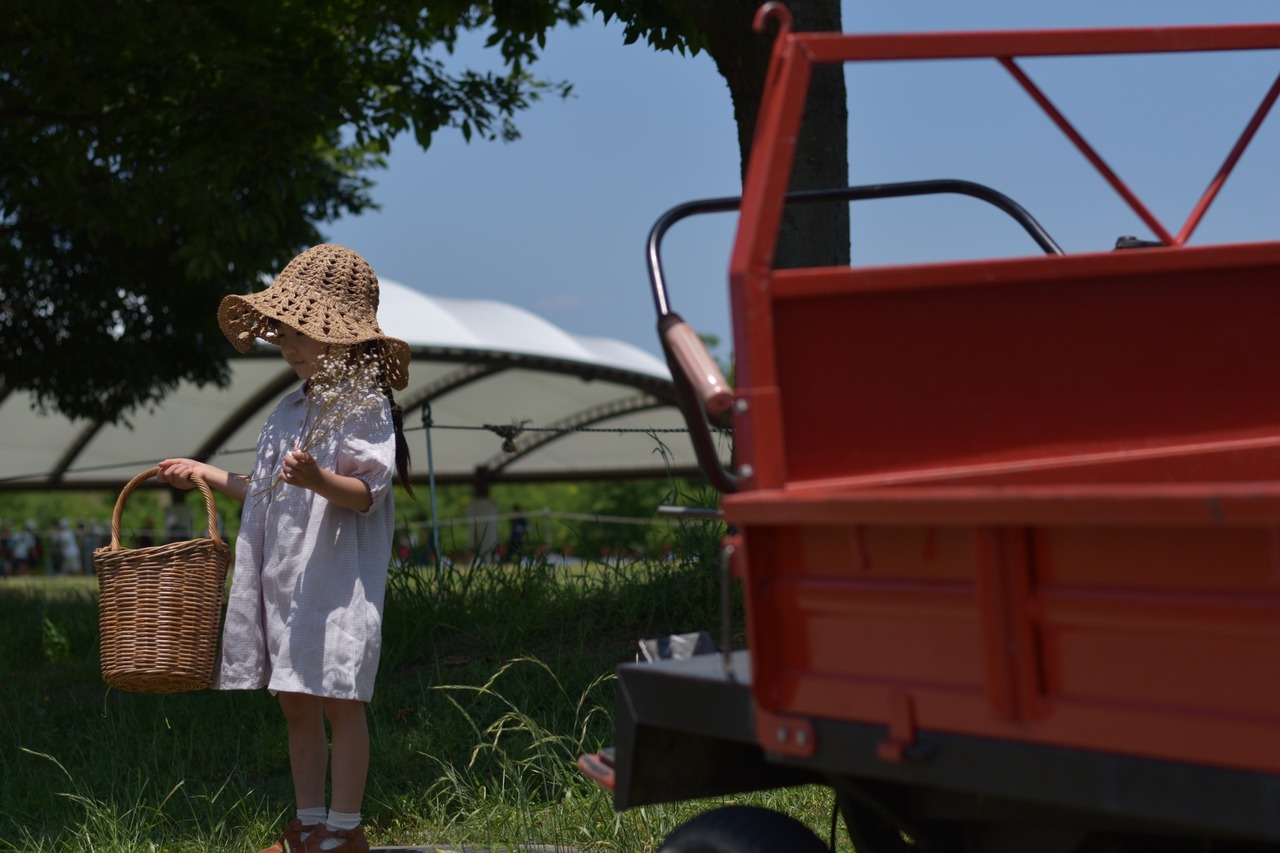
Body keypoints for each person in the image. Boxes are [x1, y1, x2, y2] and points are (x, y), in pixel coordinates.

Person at [156, 244, 414, 853]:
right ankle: (309, 822)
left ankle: (346, 831)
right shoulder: (287, 409)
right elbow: (267, 490)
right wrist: (206, 472)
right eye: (285, 333)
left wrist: (320, 480)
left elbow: (366, 493)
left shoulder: (364, 405)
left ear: (344, 337)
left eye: (305, 334)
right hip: (286, 579)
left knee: (340, 700)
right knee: (296, 701)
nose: (290, 347)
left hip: (335, 580)